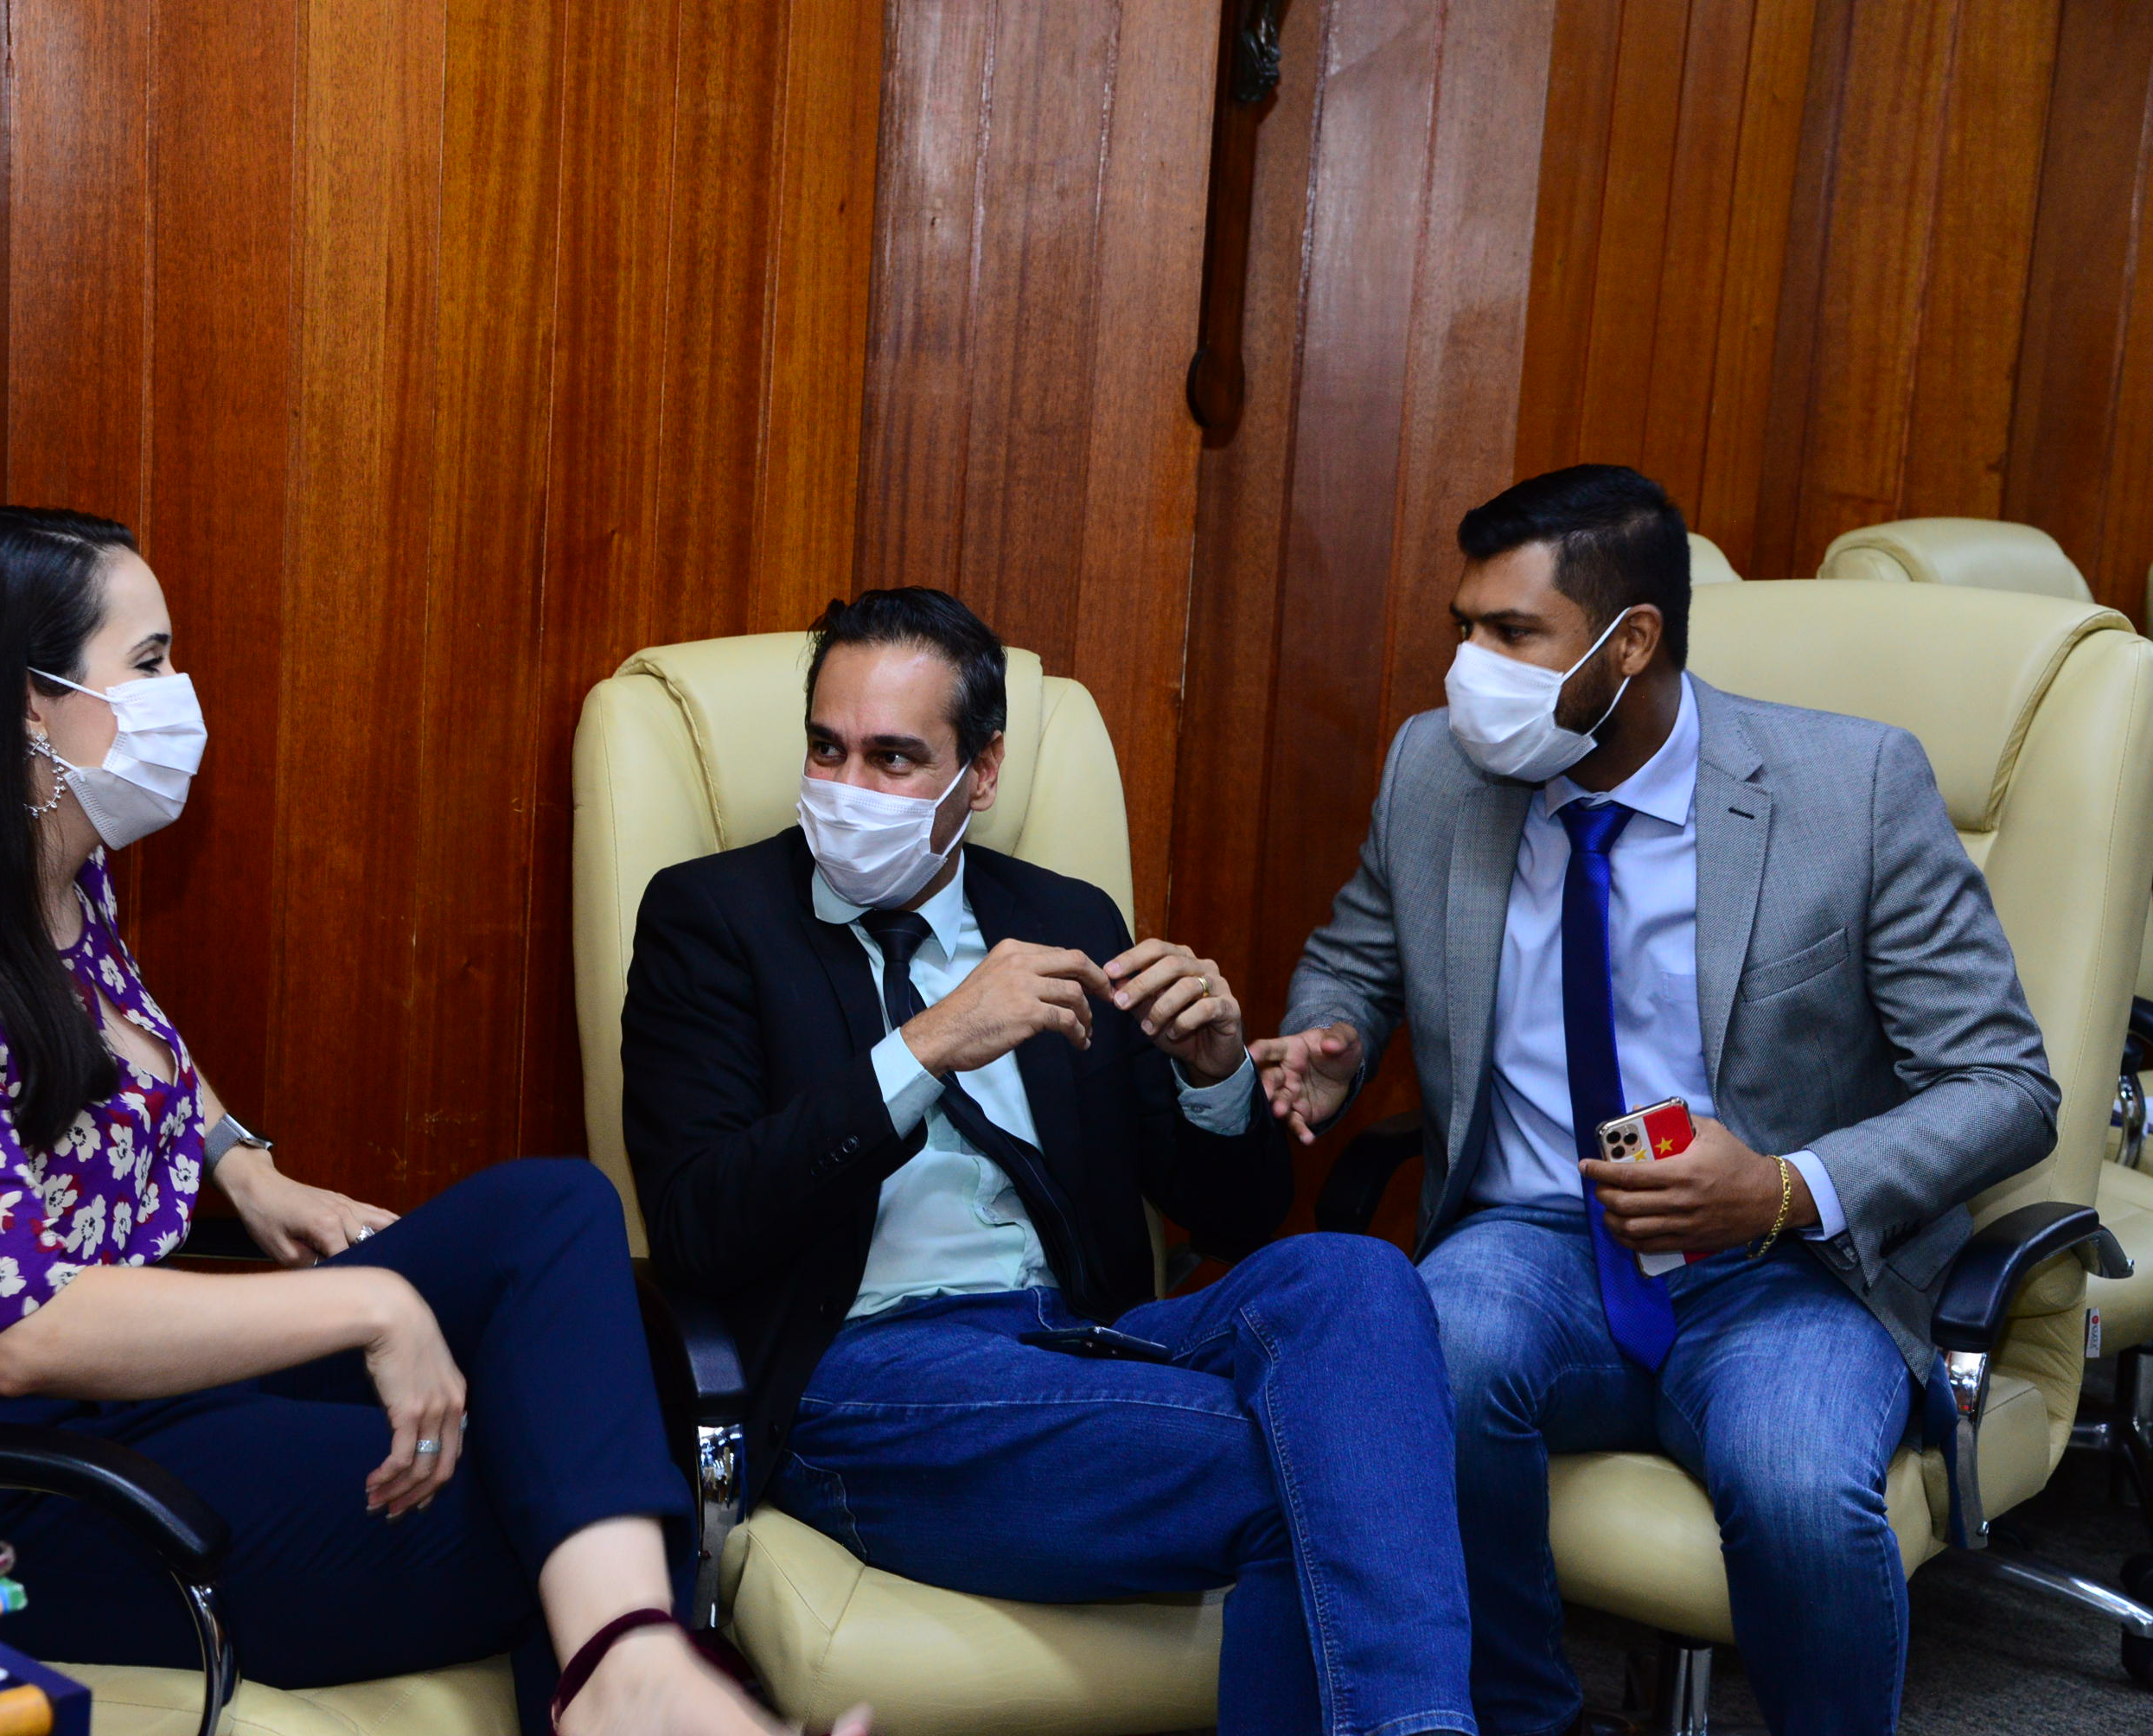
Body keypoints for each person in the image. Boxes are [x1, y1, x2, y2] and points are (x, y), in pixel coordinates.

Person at [0, 507, 853, 1736]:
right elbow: (22, 1335)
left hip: (149, 1385)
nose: (182, 694)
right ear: (29, 707)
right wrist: (372, 1305)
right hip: (23, 1476)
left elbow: (129, 1046)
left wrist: (241, 1163)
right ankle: (635, 1682)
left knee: (555, 1215)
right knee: (566, 1498)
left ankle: (628, 1676)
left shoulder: (51, 873)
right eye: (150, 662)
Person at [1260, 464, 2060, 1736]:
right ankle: (1525, 1719)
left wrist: (1784, 1188)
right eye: (1464, 628)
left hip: (1787, 1267)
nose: (1471, 669)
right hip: (1535, 1237)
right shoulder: (1436, 768)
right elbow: (1357, 958)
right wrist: (1334, 1041)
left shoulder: (1850, 789)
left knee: (1798, 1487)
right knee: (1426, 1360)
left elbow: (2006, 1085)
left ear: (1630, 642)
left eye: (1513, 634)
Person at [622, 586, 1479, 1736]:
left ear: (980, 774)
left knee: (1358, 1279)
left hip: (1085, 1342)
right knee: (1327, 1466)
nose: (846, 787)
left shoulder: (1065, 918)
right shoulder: (712, 919)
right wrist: (926, 1046)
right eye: (827, 749)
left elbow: (1234, 1214)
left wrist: (1216, 1070)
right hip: (865, 1374)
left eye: (893, 758)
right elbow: (696, 1224)